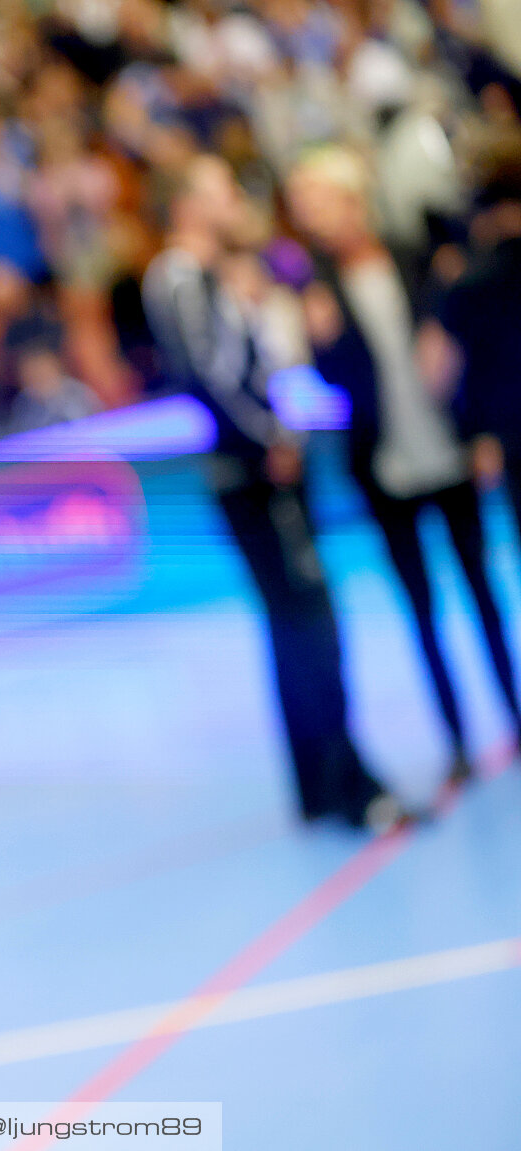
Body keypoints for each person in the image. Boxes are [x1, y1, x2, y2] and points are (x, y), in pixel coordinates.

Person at [143, 154, 401, 830]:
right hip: (256, 475)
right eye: (221, 189)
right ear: (191, 204)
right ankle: (350, 783)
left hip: (256, 468)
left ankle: (321, 780)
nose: (235, 198)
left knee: (297, 624)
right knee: (308, 621)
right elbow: (212, 377)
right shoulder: (180, 276)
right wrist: (272, 439)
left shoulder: (219, 275)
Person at [288, 146, 520, 785]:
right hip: (386, 465)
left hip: (447, 447)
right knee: (421, 609)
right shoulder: (315, 289)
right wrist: (321, 340)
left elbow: (465, 344)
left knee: (484, 593)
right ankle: (457, 740)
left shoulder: (417, 260)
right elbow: (331, 388)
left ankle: (514, 714)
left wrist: (478, 432)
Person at [443, 136, 521, 559]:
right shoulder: (474, 280)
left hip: (509, 434)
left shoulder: (472, 280)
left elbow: (443, 370)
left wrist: (478, 435)